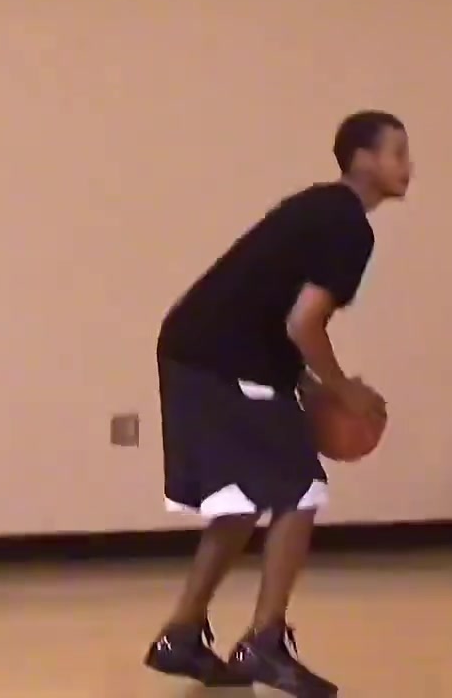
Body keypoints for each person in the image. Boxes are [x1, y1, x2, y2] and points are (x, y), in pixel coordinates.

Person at [143, 111, 411, 697]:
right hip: (219, 357)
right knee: (300, 488)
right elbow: (303, 323)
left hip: (200, 349)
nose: (408, 165)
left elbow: (271, 309)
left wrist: (308, 386)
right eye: (397, 152)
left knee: (242, 503)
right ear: (362, 159)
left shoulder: (321, 209)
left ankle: (182, 634)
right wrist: (344, 390)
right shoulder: (347, 226)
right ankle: (265, 641)